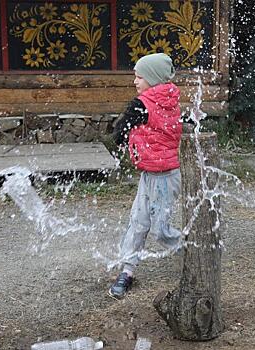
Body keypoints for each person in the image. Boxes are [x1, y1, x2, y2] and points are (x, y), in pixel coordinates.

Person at [108, 53, 183, 299]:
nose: (135, 81)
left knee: (160, 230)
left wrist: (119, 138)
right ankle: (127, 270)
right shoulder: (169, 98)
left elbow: (124, 125)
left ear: (152, 78)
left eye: (139, 76)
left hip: (165, 176)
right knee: (138, 222)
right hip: (150, 174)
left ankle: (192, 249)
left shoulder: (144, 103)